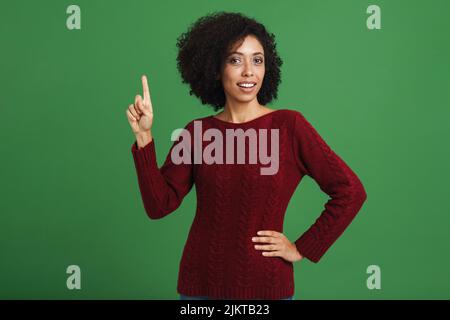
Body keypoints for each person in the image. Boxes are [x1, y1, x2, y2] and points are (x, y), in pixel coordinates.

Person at [125, 12, 367, 300]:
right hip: (199, 288)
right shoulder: (197, 133)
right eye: (236, 60)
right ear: (216, 68)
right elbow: (159, 205)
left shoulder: (289, 127)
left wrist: (301, 247)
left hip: (267, 289)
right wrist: (144, 136)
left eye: (257, 60)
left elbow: (351, 191)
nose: (249, 71)